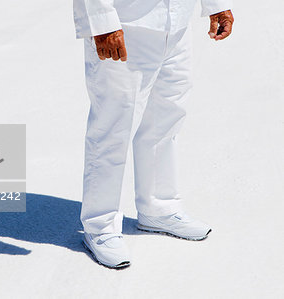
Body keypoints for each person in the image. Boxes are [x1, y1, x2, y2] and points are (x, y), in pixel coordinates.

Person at [73, 0, 234, 268]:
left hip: (177, 22)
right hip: (126, 23)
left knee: (166, 117)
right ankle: (100, 226)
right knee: (114, 125)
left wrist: (216, 4)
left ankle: (159, 208)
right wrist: (101, 23)